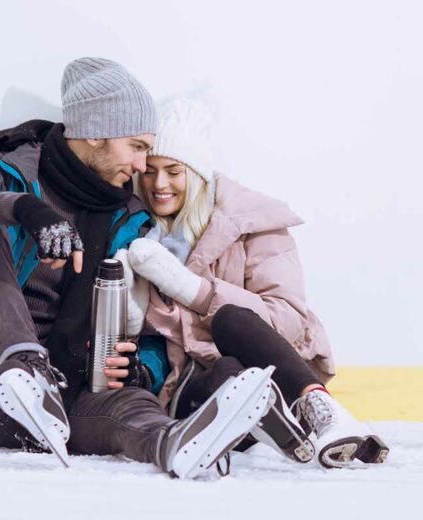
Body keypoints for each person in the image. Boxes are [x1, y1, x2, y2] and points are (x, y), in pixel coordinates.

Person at [0, 58, 275, 479]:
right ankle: (25, 367)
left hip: (74, 399)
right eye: (138, 147)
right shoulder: (10, 170)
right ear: (94, 134)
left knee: (132, 405)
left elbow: (152, 325)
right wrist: (25, 209)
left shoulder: (133, 216)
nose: (144, 167)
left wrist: (141, 367)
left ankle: (173, 443)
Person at [120, 98, 389, 468]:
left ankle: (318, 407)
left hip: (273, 367)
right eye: (148, 171)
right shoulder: (136, 234)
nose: (158, 184)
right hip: (193, 390)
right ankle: (268, 418)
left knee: (232, 319)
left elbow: (288, 318)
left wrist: (195, 292)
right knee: (229, 375)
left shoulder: (253, 222)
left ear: (197, 174)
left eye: (173, 170)